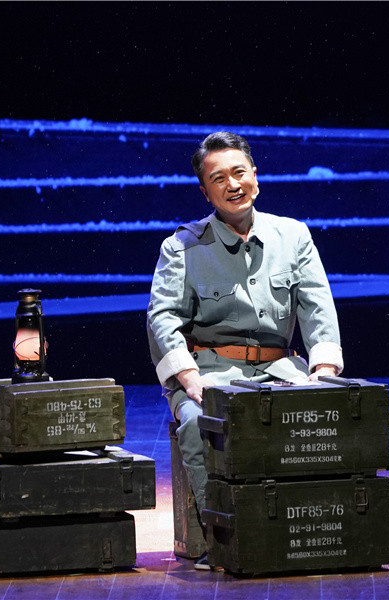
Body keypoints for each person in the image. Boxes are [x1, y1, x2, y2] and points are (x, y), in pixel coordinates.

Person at [146, 131, 344, 570]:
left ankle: (311, 531)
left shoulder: (293, 235)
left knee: (329, 412)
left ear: (255, 174)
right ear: (205, 191)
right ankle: (223, 540)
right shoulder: (181, 247)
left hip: (280, 370)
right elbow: (161, 318)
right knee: (198, 422)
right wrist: (188, 378)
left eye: (239, 172)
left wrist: (324, 369)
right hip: (207, 373)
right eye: (219, 178)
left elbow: (317, 307)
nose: (233, 184)